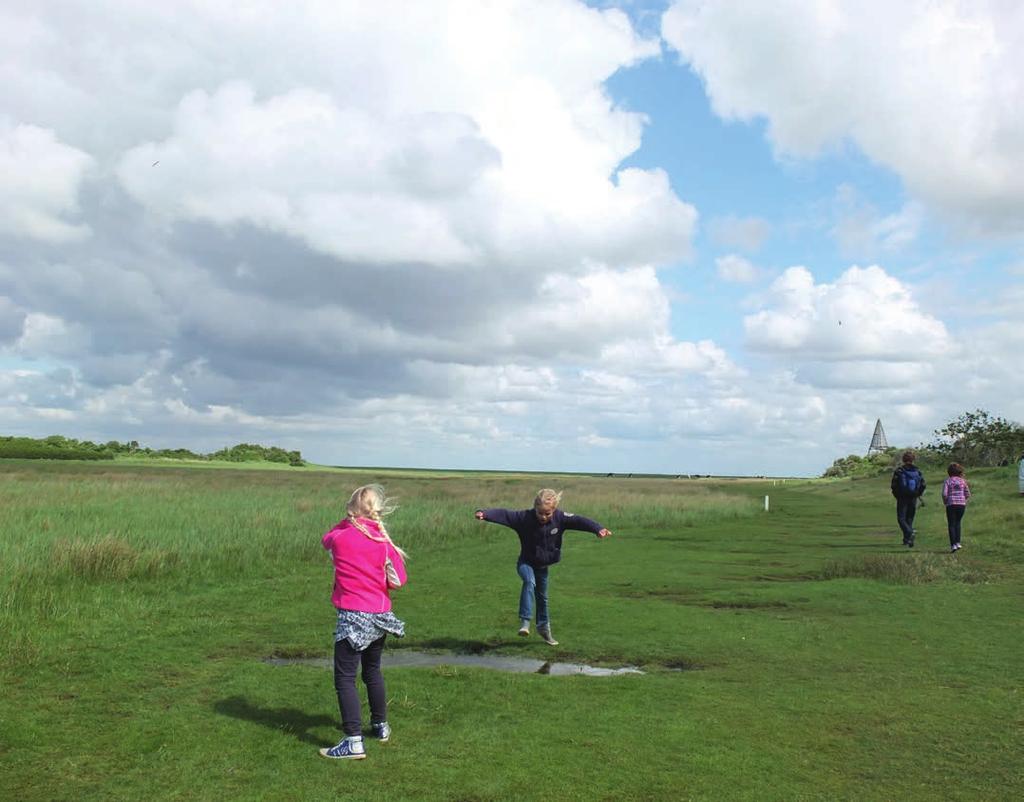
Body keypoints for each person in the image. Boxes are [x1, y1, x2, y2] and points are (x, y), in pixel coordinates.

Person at [319, 484, 408, 760]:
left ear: (351, 509)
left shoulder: (340, 537)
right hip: (379, 615)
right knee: (372, 671)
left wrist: (348, 520)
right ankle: (380, 726)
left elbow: (326, 539)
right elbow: (399, 580)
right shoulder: (383, 544)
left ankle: (353, 741)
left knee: (345, 677)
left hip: (352, 616)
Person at [474, 489, 611, 645]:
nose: (543, 517)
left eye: (548, 514)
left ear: (554, 510)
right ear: (535, 508)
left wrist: (598, 529)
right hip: (525, 563)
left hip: (543, 565)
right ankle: (525, 623)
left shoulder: (560, 518)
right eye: (540, 513)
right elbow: (504, 514)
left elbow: (580, 521)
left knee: (543, 599)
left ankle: (544, 631)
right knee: (529, 582)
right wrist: (484, 514)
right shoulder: (524, 518)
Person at [890, 450, 926, 547]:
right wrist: (918, 494)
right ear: (913, 459)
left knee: (901, 518)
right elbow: (923, 484)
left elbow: (894, 485)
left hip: (902, 497)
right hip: (913, 497)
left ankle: (909, 534)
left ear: (903, 459)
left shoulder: (899, 471)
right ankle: (907, 540)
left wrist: (897, 495)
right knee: (909, 518)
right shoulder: (917, 471)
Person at [941, 463, 971, 553]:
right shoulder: (963, 481)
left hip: (951, 504)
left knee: (951, 524)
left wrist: (945, 501)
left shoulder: (948, 481)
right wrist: (963, 500)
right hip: (961, 505)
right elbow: (968, 494)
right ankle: (958, 542)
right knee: (958, 523)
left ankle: (953, 544)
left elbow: (944, 494)